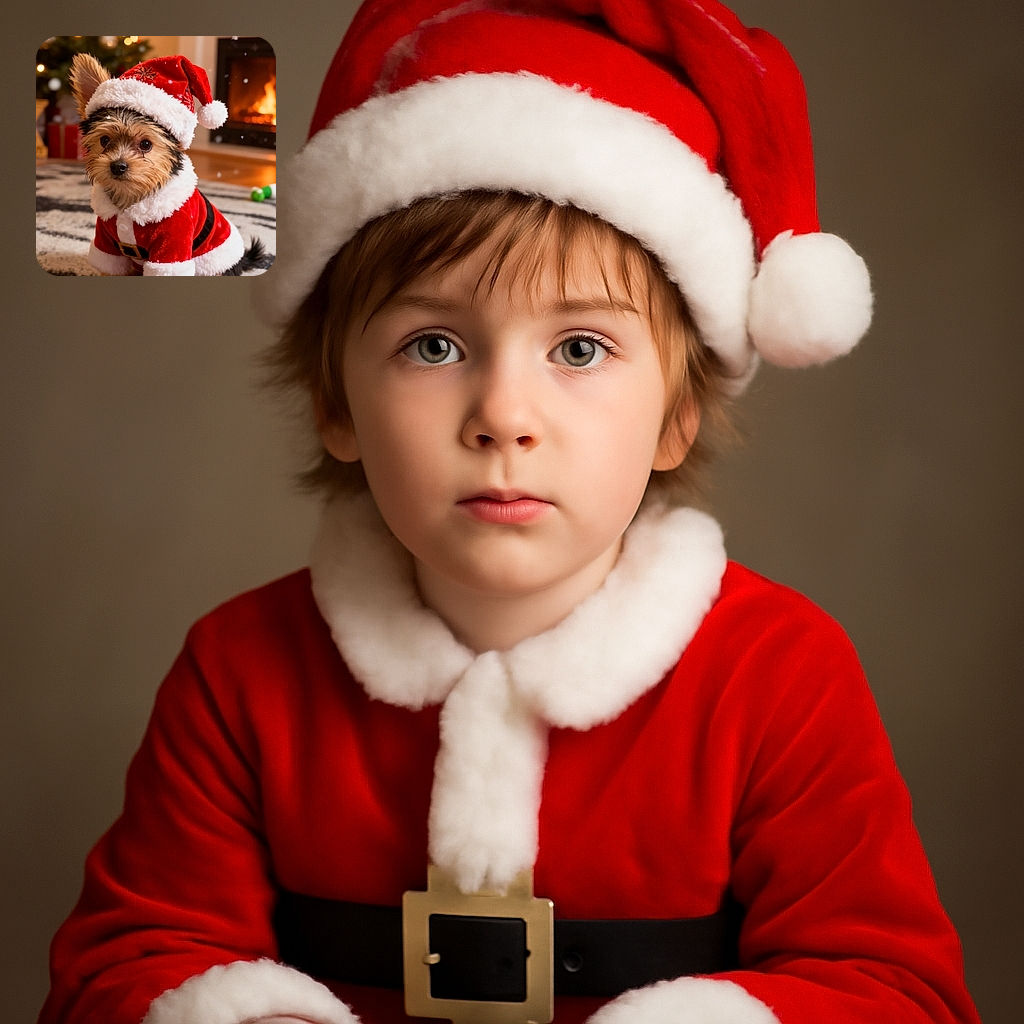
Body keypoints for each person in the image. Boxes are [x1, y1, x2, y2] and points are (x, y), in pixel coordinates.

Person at [38, 2, 981, 1023]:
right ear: (333, 405)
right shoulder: (238, 672)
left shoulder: (782, 676)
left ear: (676, 416)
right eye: (433, 347)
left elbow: (894, 991)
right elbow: (124, 963)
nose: (502, 417)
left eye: (579, 349)